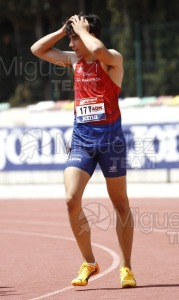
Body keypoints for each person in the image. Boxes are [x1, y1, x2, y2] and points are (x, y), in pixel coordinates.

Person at [31, 12, 136, 288]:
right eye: (72, 38)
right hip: (82, 141)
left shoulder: (112, 58)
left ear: (91, 35)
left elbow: (98, 50)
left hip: (111, 142)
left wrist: (84, 31)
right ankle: (89, 261)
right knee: (70, 199)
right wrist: (62, 29)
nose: (73, 43)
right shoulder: (74, 60)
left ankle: (126, 267)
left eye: (77, 38)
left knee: (120, 204)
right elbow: (37, 49)